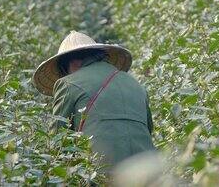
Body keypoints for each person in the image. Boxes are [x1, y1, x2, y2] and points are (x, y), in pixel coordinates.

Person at [32, 30, 156, 170]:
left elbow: (56, 142)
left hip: (101, 173)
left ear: (69, 63)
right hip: (149, 170)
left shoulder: (67, 84)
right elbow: (148, 129)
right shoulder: (135, 84)